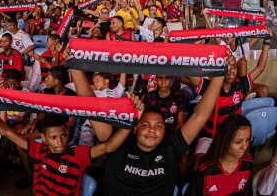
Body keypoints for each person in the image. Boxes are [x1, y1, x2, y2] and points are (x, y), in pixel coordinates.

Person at [68, 53, 230, 195]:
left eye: (158, 126)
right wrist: (75, 66)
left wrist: (220, 73)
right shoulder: (116, 143)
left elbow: (200, 114)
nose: (152, 130)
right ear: (135, 128)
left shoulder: (171, 147)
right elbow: (90, 105)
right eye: (145, 125)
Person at [0, 94, 144, 196]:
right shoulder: (39, 150)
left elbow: (108, 147)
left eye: (63, 135)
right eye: (53, 138)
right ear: (44, 138)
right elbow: (6, 131)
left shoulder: (78, 154)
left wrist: (132, 122)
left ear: (68, 133)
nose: (60, 141)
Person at [189, 34, 270, 169]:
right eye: (228, 67)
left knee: (244, 163)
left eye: (234, 67)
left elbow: (260, 67)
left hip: (232, 137)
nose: (232, 71)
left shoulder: (241, 86)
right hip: (210, 137)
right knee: (197, 163)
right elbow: (189, 74)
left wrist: (267, 41)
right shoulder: (211, 87)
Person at [184, 114, 253, 195]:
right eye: (238, 142)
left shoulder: (248, 164)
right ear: (224, 141)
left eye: (247, 140)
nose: (244, 146)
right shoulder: (205, 171)